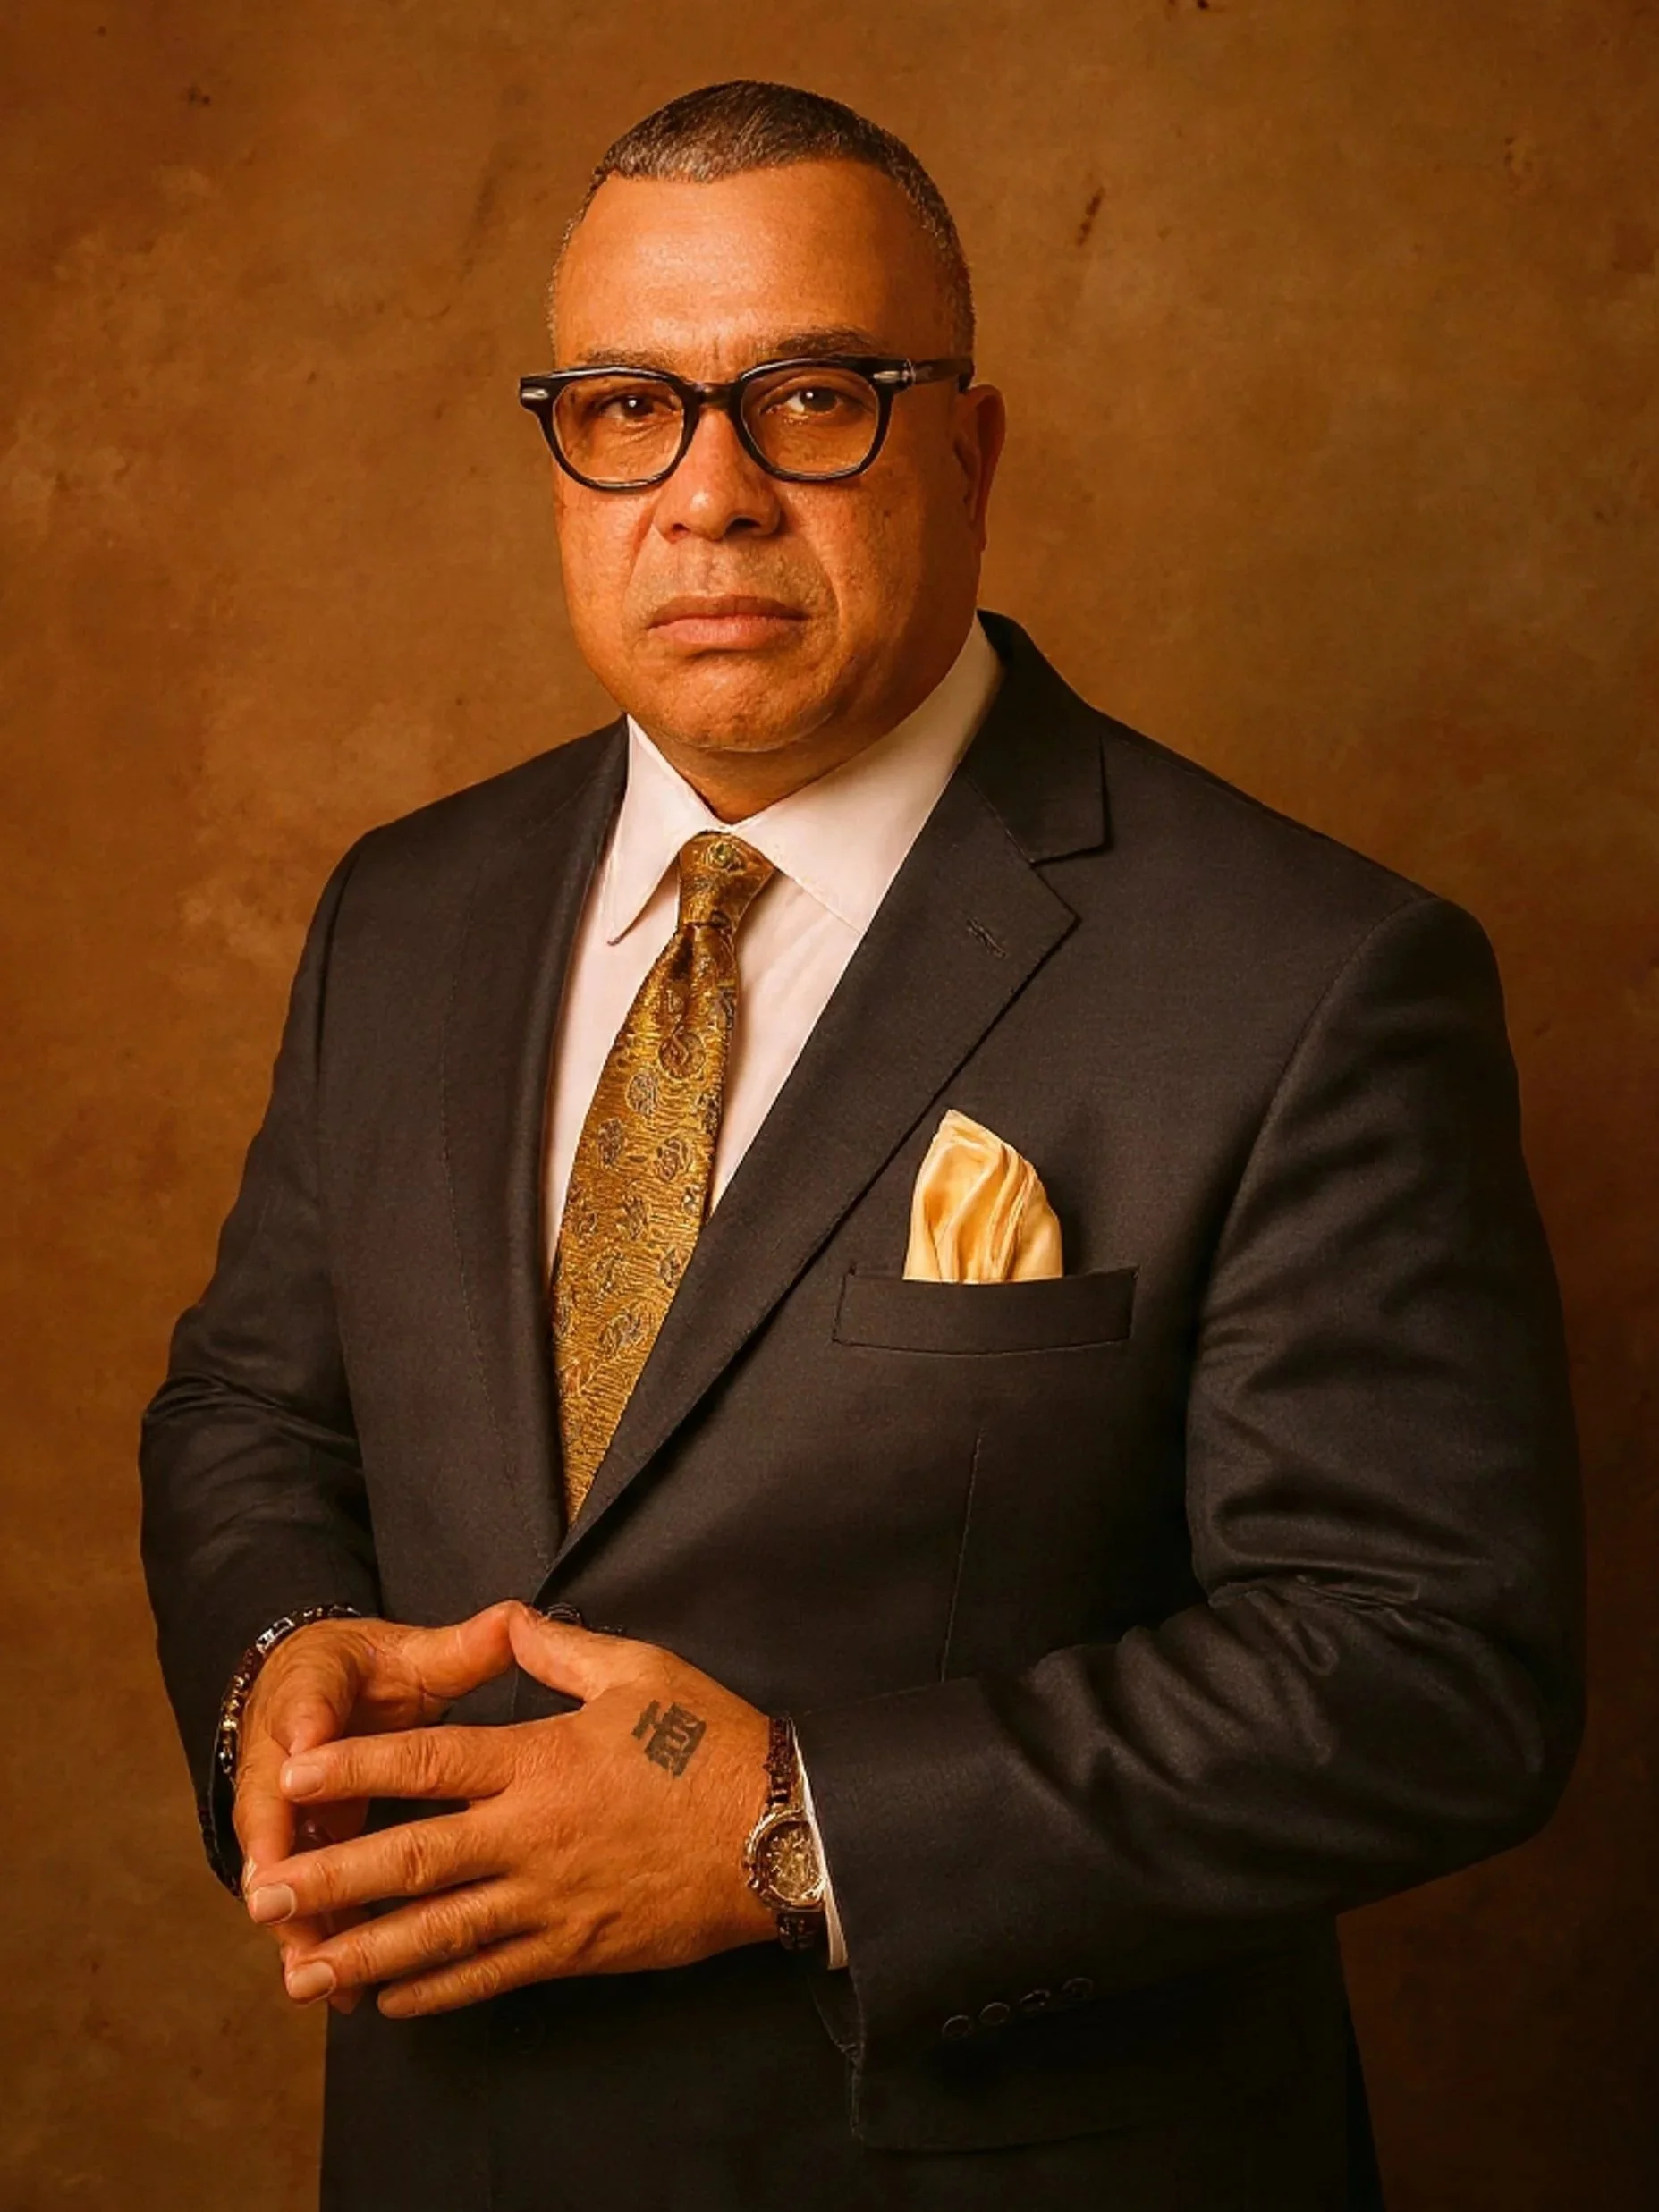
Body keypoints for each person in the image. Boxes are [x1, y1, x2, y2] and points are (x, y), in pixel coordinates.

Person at [140, 78, 1581, 2212]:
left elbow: (1430, 1662)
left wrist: (792, 1826)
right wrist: (280, 1668)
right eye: (625, 405)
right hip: (455, 2146)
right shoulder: (403, 912)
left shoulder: (1308, 973)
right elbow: (253, 1409)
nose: (709, 493)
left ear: (973, 453)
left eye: (814, 396)